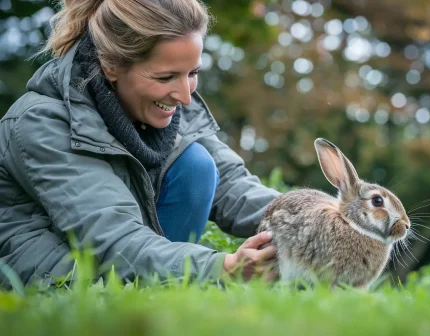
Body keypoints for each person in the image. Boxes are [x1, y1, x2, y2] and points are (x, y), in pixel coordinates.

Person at [0, 0, 281, 289]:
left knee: (195, 163)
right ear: (111, 65)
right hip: (63, 279)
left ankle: (170, 289)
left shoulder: (163, 106)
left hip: (132, 256)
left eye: (193, 73)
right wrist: (220, 268)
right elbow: (113, 237)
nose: (185, 95)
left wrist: (319, 220)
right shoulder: (41, 123)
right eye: (165, 77)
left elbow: (232, 186)